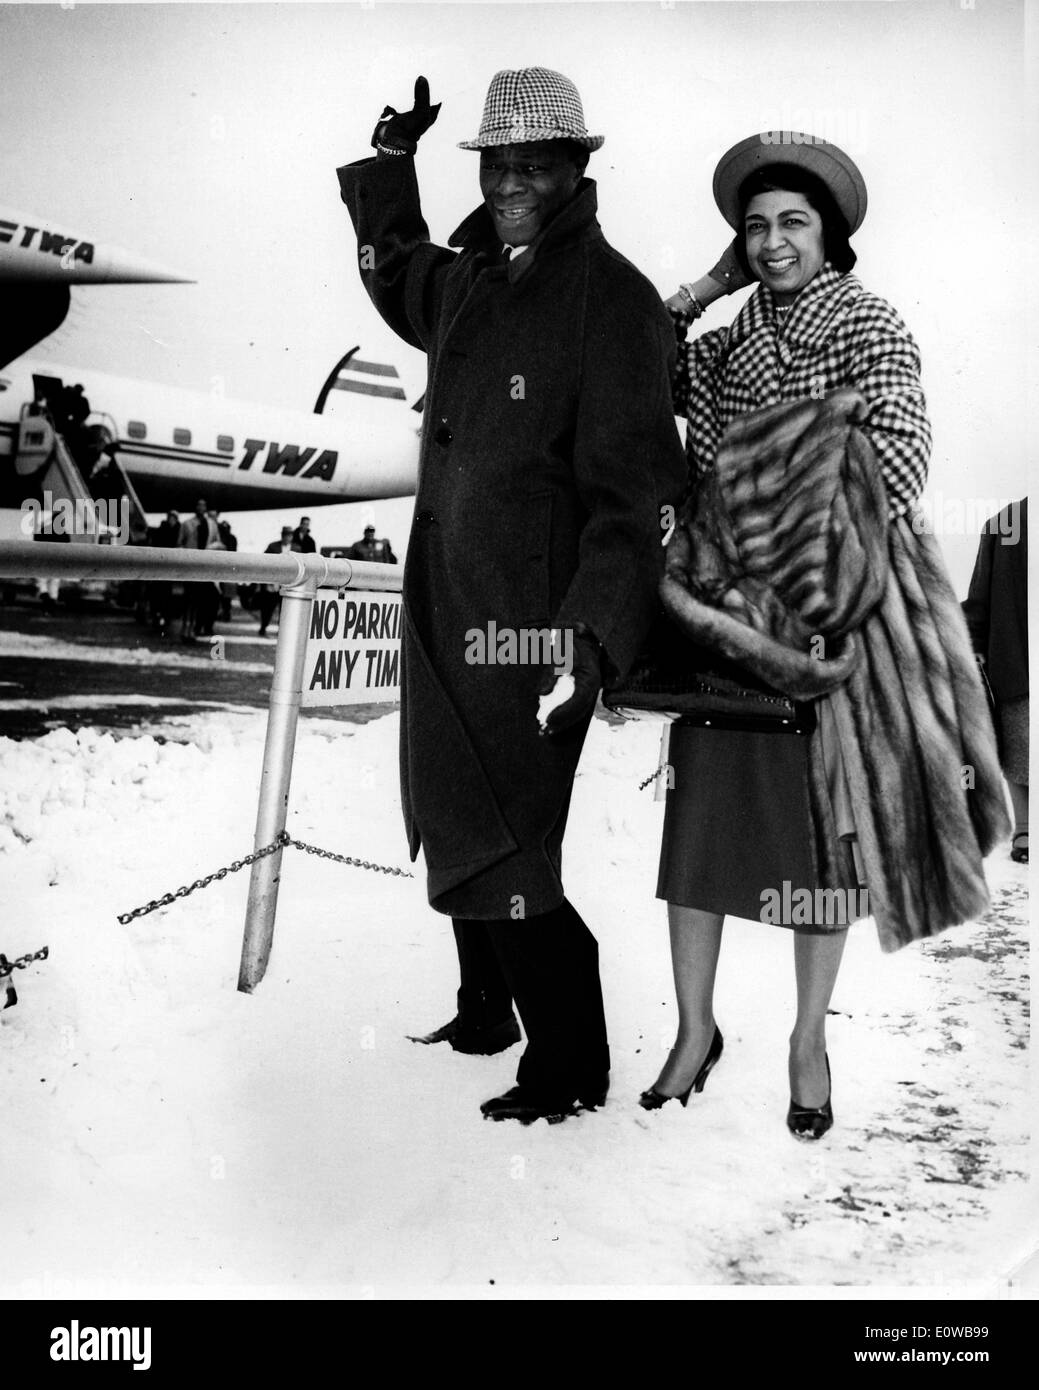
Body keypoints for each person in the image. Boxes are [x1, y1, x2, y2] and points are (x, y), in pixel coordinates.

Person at [337, 69, 685, 1123]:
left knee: (514, 835)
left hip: (534, 632)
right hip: (445, 598)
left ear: (578, 169)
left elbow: (634, 499)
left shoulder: (611, 298)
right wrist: (391, 165)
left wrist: (585, 643)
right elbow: (397, 270)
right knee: (456, 800)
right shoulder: (472, 279)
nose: (513, 182)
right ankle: (485, 1005)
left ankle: (568, 1067)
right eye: (498, 163)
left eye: (535, 163)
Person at [644, 133, 1008, 1138]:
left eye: (791, 224)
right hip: (726, 613)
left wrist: (768, 506)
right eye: (752, 229)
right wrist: (703, 288)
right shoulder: (721, 343)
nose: (770, 244)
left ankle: (807, 1038)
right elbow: (638, 355)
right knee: (701, 816)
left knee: (821, 835)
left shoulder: (870, 323)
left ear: (830, 234)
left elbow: (896, 460)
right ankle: (690, 1031)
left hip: (830, 603)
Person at [963, 499, 1028, 862]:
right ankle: (1026, 832)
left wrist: (972, 644)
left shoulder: (1005, 522)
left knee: (1020, 746)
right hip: (1015, 663)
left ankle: (1025, 833)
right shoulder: (1004, 523)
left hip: (1014, 664)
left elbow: (978, 601)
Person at [177, 498, 220, 641]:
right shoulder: (186, 524)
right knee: (188, 600)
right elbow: (179, 544)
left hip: (204, 568)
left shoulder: (212, 525)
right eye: (198, 505)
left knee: (199, 601)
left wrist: (211, 549)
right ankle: (185, 628)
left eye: (203, 505)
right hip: (190, 567)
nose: (201, 508)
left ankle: (194, 629)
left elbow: (218, 543)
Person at [258, 526, 300, 636]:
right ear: (282, 536)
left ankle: (281, 630)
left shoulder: (297, 548)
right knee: (268, 607)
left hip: (288, 583)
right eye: (285, 535)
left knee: (285, 608)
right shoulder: (272, 547)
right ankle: (263, 626)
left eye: (289, 535)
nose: (287, 537)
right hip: (274, 583)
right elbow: (265, 562)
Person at [150, 510, 181, 634]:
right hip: (162, 567)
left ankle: (164, 616)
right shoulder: (162, 530)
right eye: (170, 517)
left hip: (170, 568)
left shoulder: (178, 530)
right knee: (160, 594)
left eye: (173, 517)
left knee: (166, 594)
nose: (171, 519)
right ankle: (159, 616)